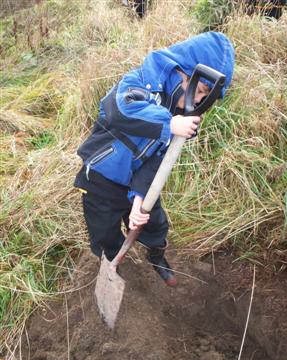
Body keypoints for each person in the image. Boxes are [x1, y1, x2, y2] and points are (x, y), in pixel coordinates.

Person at [74, 32, 235, 287]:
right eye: (200, 91)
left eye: (206, 97)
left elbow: (159, 160)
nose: (199, 99)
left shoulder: (181, 116)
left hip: (139, 180)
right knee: (104, 233)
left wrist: (139, 197)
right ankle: (115, 267)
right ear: (181, 73)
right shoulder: (137, 82)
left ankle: (157, 256)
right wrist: (169, 124)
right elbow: (122, 111)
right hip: (101, 178)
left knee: (154, 224)